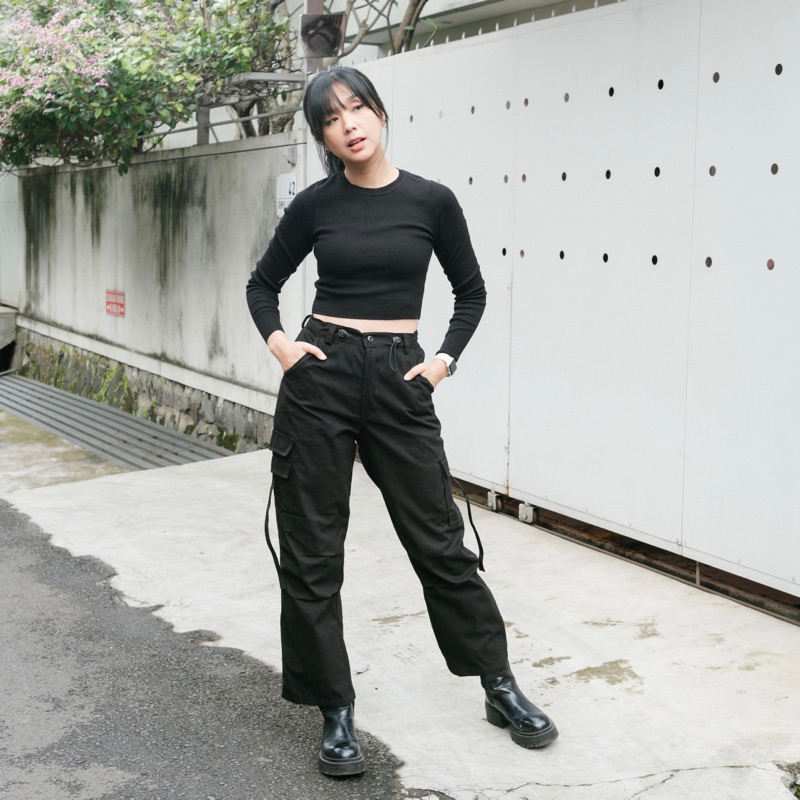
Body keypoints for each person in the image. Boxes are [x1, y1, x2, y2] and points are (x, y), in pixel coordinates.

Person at [246, 65, 558, 777]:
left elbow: (471, 292)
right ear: (323, 136)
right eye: (331, 119)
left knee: (439, 541)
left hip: (399, 378)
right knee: (313, 551)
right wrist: (283, 346)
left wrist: (443, 361)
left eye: (357, 108)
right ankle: (335, 708)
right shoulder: (315, 205)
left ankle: (498, 683)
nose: (348, 125)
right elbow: (263, 284)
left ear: (380, 113)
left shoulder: (431, 200)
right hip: (321, 376)